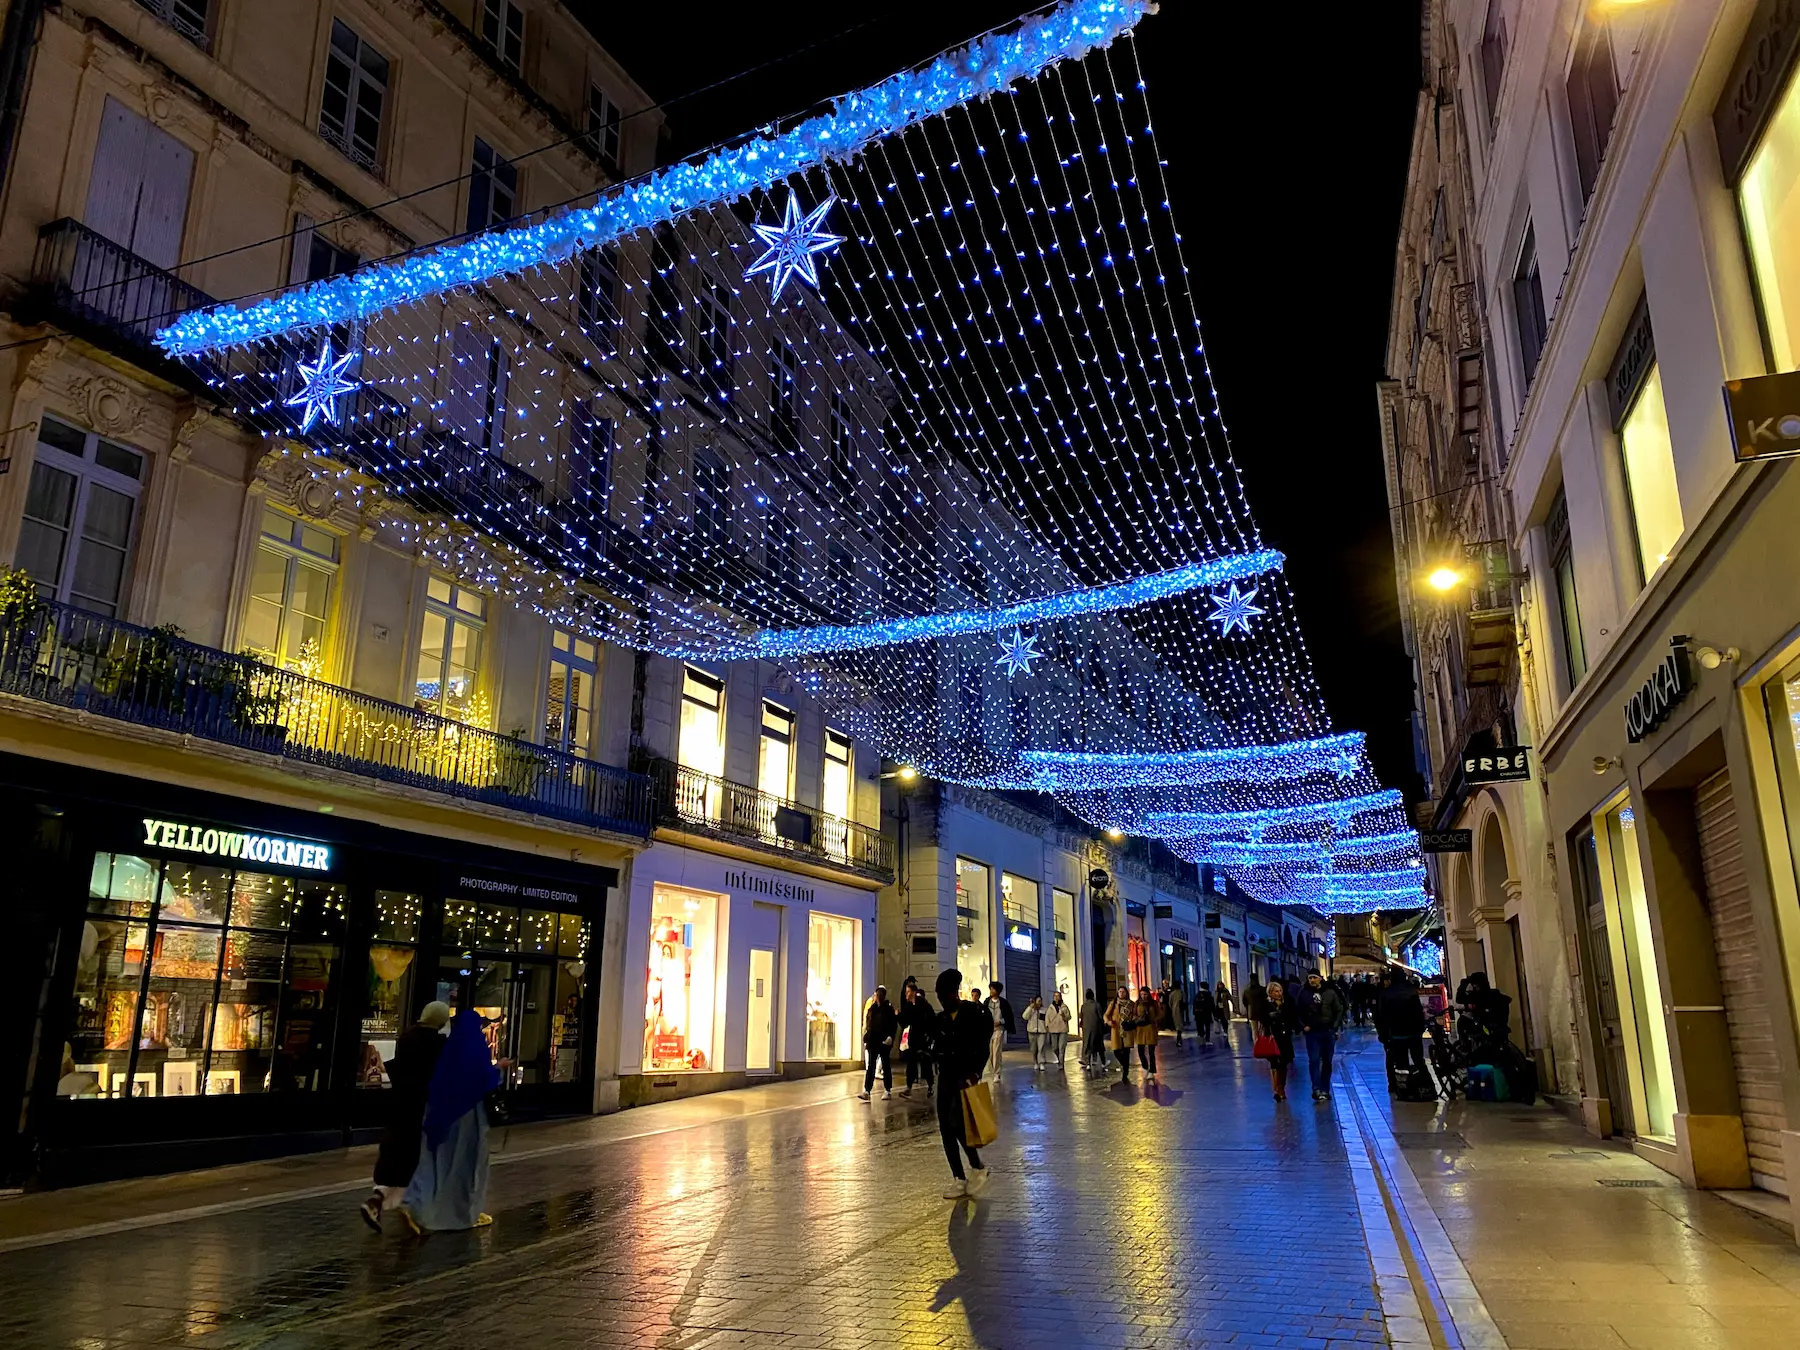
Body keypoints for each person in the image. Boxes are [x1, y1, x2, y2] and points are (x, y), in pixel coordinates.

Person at [400, 1007, 501, 1232]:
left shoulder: (449, 1050)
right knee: (467, 1167)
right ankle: (462, 1213)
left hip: (440, 1115)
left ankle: (419, 1206)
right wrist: (499, 1069)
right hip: (469, 1118)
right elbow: (484, 1079)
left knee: (436, 1164)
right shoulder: (476, 1049)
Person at [360, 1000, 450, 1231]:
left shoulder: (407, 1037)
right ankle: (412, 1210)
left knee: (393, 1154)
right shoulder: (438, 1044)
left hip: (399, 1105)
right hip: (421, 1109)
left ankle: (377, 1200)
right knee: (414, 1159)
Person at [932, 968, 993, 1199]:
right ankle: (959, 1177)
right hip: (946, 1076)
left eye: (944, 995)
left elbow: (983, 1045)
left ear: (953, 993)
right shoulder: (941, 1019)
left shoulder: (973, 1013)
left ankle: (977, 1166)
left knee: (958, 1123)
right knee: (945, 1128)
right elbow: (936, 1045)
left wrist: (976, 1072)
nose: (941, 1000)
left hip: (965, 1076)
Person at [1295, 971, 1345, 1102]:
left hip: (1328, 1031)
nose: (1312, 980)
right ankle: (1316, 1089)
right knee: (1314, 1060)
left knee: (1327, 1061)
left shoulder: (1330, 992)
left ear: (1320, 979)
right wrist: (1303, 1025)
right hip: (1312, 1032)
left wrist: (1334, 1027)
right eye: (1310, 978)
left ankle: (1325, 1089)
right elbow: (1298, 1011)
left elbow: (1339, 1009)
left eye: (1314, 978)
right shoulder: (1304, 993)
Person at [1379, 971, 1429, 1093]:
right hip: (1413, 1033)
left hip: (1396, 1034)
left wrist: (1383, 1035)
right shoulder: (1412, 990)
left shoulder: (1386, 993)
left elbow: (1381, 1016)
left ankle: (1398, 1086)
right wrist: (1421, 1028)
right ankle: (1425, 1084)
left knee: (1398, 1062)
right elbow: (1418, 1012)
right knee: (1418, 1060)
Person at [1255, 978, 1297, 1101]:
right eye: (1275, 991)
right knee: (1274, 1064)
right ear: (1270, 992)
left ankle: (1281, 1087)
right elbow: (1262, 1019)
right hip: (1272, 1037)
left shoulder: (1287, 1002)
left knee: (1283, 1065)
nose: (1278, 994)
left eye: (1279, 991)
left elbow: (1292, 1016)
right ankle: (1277, 1090)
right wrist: (1270, 1017)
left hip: (1285, 1037)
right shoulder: (1265, 1004)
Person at [859, 985, 898, 1100]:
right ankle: (867, 1090)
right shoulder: (873, 1009)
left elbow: (892, 1025)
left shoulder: (888, 1009)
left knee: (885, 1065)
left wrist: (890, 1037)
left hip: (883, 1041)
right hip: (873, 1041)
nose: (877, 997)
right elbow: (869, 1024)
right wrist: (867, 1038)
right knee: (871, 1066)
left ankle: (887, 1089)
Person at [898, 981, 936, 1097]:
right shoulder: (908, 1006)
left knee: (925, 1063)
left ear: (914, 992)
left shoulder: (923, 1004)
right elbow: (904, 1022)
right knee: (911, 1063)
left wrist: (929, 1036)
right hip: (912, 1039)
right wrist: (898, 1016)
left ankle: (930, 1086)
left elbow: (931, 1019)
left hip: (922, 1039)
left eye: (908, 992)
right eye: (906, 992)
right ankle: (908, 1087)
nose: (906, 994)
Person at [984, 981, 1015, 1083]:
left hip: (999, 1029)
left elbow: (1009, 1016)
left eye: (993, 989)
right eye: (990, 988)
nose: (991, 991)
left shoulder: (1004, 1003)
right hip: (988, 1030)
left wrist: (1001, 1022)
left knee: (996, 1051)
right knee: (991, 1053)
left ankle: (997, 1073)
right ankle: (994, 1070)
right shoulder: (987, 1001)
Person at [1132, 986, 1160, 1083]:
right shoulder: (1137, 1003)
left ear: (1148, 994)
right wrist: (1137, 1019)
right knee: (1140, 1050)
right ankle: (1145, 1067)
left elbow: (1159, 1013)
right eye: (1142, 994)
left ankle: (1152, 1070)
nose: (1143, 996)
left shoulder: (1153, 1003)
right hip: (1140, 1029)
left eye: (1145, 994)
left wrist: (1154, 1020)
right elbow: (1133, 1014)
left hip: (1150, 1028)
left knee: (1151, 1051)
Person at [1106, 989, 1133, 1079]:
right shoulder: (1113, 1003)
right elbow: (1106, 1015)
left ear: (1126, 993)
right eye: (1120, 992)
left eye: (1123, 992)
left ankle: (1125, 1071)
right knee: (1116, 1051)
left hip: (1126, 1030)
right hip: (1116, 1029)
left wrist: (1132, 1022)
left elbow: (1134, 1015)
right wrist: (1109, 1022)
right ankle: (1125, 1065)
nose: (1121, 993)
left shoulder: (1131, 1004)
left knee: (1126, 1051)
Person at [1078, 988, 1104, 1073]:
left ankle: (1087, 1062)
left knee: (1087, 1044)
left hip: (1086, 1028)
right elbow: (1100, 1017)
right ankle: (1099, 1061)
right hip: (1096, 1028)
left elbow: (1080, 1016)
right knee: (1097, 1044)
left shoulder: (1083, 1006)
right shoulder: (1097, 1005)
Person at [1023, 996, 1047, 1069]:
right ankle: (1035, 1062)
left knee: (1041, 1047)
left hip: (1042, 1031)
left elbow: (1047, 1019)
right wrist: (1030, 1007)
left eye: (1040, 1001)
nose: (1039, 1002)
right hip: (1032, 1031)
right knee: (1033, 1049)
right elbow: (1025, 1016)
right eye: (1038, 1001)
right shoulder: (1031, 1010)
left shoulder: (1044, 1010)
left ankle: (1041, 1063)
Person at [1191, 982, 1215, 1048]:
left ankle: (1201, 1037)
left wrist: (1194, 1012)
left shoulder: (1197, 995)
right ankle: (1207, 1040)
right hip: (1206, 1013)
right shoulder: (1208, 995)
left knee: (1200, 1026)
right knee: (1207, 1026)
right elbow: (1212, 1005)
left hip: (1198, 1014)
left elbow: (1194, 1004)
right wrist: (1214, 1014)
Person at [1166, 980, 1186, 1047]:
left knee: (1177, 1025)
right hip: (1180, 1010)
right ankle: (1179, 1039)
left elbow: (1170, 1003)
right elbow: (1185, 1000)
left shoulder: (1172, 993)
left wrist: (1173, 1008)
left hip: (1174, 1010)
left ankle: (1179, 1039)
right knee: (1180, 1025)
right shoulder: (1181, 992)